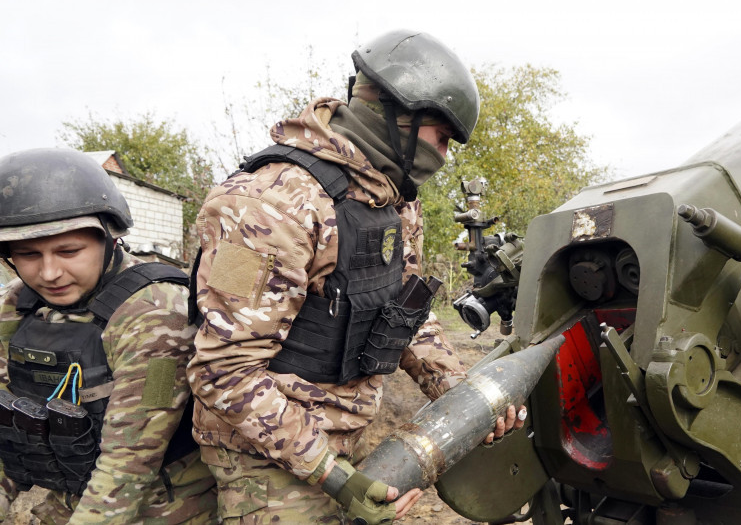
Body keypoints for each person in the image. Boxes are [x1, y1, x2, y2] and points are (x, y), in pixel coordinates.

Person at [187, 29, 524, 524]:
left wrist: (459, 393)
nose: (445, 157)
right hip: (265, 459)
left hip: (342, 442)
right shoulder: (267, 204)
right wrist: (331, 474)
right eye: (442, 138)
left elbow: (405, 311)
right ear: (398, 116)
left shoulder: (393, 202)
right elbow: (223, 369)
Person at [0, 148, 217, 524]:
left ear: (109, 238)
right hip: (70, 495)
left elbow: (130, 462)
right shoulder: (18, 304)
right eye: (29, 254)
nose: (49, 273)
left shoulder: (155, 312)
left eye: (69, 251)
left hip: (161, 506)